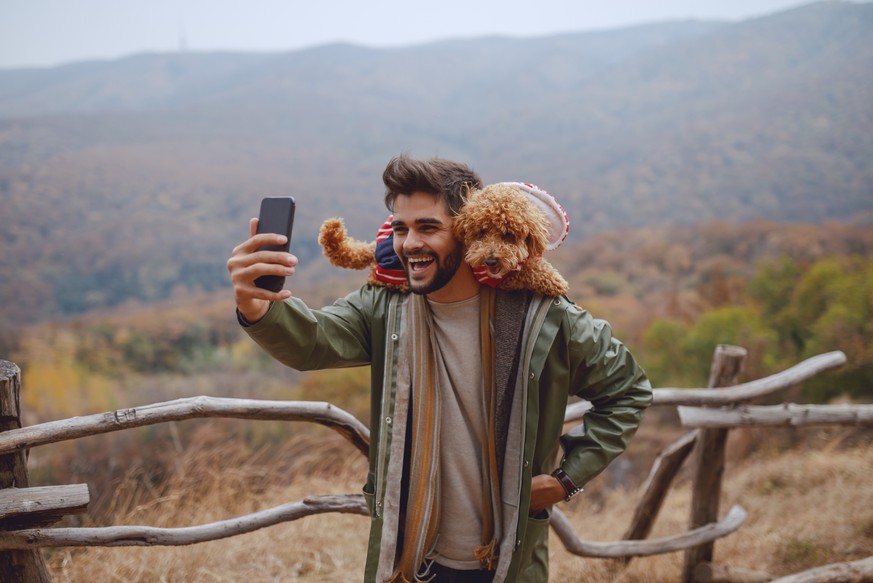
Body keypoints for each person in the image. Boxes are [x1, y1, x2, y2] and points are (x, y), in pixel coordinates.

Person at [226, 155, 652, 583]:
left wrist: (566, 480)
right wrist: (256, 306)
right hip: (410, 562)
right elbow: (314, 342)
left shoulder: (545, 319)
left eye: (428, 228)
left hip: (506, 563)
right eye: (400, 228)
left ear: (468, 231)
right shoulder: (386, 306)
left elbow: (628, 391)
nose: (410, 243)